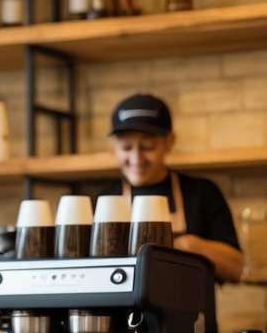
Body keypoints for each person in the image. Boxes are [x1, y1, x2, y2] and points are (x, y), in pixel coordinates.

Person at [99, 92, 243, 283]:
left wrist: (187, 246)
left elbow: (236, 269)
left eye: (148, 146)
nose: (136, 159)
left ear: (170, 142)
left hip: (193, 311)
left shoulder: (202, 193)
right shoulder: (106, 201)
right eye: (126, 147)